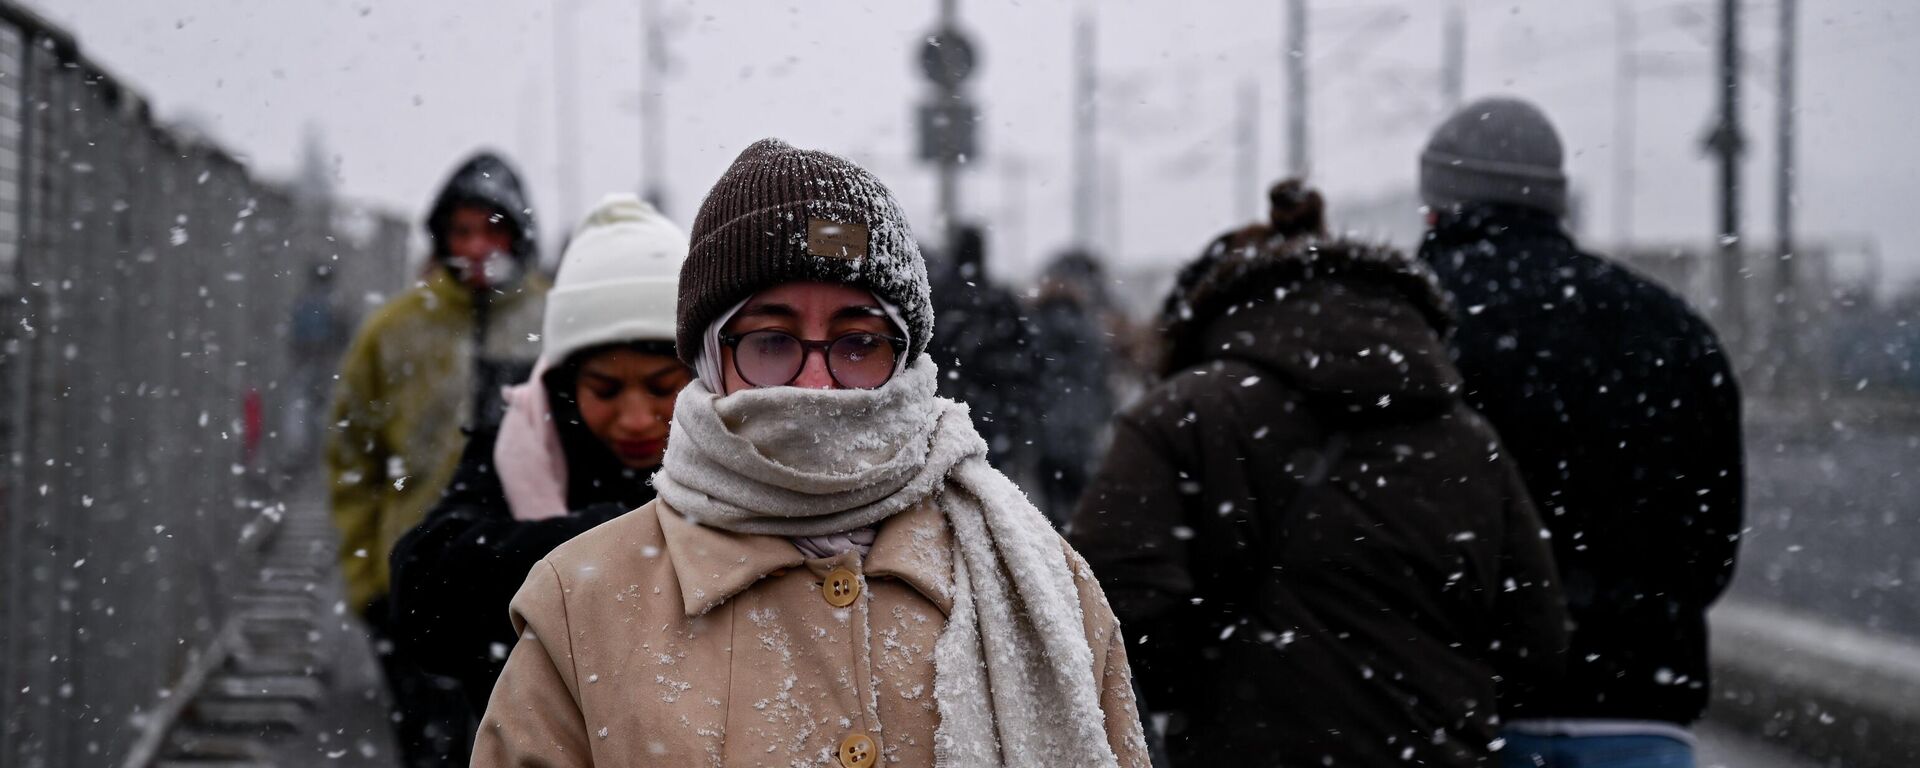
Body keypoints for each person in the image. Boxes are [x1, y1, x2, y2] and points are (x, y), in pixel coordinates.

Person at [473, 139, 1148, 767]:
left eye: (859, 344)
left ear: (907, 360)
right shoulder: (581, 606)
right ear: (711, 361)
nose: (818, 385)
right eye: (771, 342)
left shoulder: (1039, 583)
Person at [1069, 180, 1568, 767]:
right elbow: (1537, 646)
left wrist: (1230, 671)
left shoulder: (1185, 416)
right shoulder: (1465, 437)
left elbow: (1100, 618)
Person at [1415, 97, 1744, 767]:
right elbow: (1711, 547)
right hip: (1640, 708)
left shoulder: (1412, 329)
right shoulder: (1672, 329)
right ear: (1554, 202)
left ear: (1435, 205)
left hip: (1466, 710)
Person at [388, 194, 691, 712]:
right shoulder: (519, 441)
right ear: (566, 384)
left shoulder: (739, 448)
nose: (637, 418)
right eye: (606, 390)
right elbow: (425, 593)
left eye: (663, 387)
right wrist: (624, 538)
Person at [326, 150, 546, 766]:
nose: (477, 247)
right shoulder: (396, 331)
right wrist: (369, 581)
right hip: (417, 580)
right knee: (430, 747)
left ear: (519, 235)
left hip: (523, 575)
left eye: (493, 229)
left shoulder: (554, 320)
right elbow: (353, 460)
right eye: (463, 231)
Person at [926, 223, 1041, 476]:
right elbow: (1028, 356)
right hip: (994, 410)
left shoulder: (937, 295)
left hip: (946, 406)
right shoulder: (1000, 297)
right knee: (991, 482)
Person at [1029, 249, 1118, 524]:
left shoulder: (1034, 326)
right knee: (1084, 509)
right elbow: (1101, 381)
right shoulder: (1090, 330)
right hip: (1083, 432)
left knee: (1049, 511)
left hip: (1045, 433)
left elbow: (1027, 379)